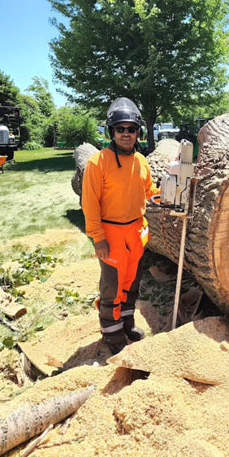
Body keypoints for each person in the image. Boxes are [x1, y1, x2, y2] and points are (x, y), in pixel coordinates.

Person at [82, 97, 160, 354]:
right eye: (120, 129)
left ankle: (126, 323)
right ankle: (111, 333)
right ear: (111, 131)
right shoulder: (98, 162)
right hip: (111, 233)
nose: (126, 134)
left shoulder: (141, 161)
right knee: (112, 287)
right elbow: (90, 202)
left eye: (131, 129)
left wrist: (167, 192)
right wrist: (98, 237)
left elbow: (148, 190)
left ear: (138, 131)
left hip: (136, 231)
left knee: (131, 284)